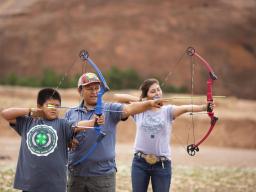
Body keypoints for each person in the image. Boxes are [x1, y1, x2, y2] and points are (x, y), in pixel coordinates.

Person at [65, 72, 164, 192]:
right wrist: (69, 140)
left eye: (97, 88)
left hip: (102, 176)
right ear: (80, 91)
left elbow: (128, 109)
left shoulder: (110, 108)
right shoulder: (70, 113)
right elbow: (64, 134)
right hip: (76, 175)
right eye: (89, 89)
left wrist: (149, 103)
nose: (95, 92)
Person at [1, 88, 103, 192]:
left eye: (57, 106)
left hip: (55, 185)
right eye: (50, 105)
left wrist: (94, 121)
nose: (54, 108)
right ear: (39, 107)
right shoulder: (27, 122)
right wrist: (30, 111)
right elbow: (5, 114)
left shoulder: (63, 124)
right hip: (30, 184)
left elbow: (77, 125)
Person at [128, 78, 214, 192]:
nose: (157, 93)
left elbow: (186, 108)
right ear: (146, 95)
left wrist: (204, 107)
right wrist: (146, 102)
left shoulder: (168, 111)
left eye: (158, 90)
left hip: (162, 165)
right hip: (140, 163)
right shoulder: (138, 111)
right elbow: (119, 98)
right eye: (152, 91)